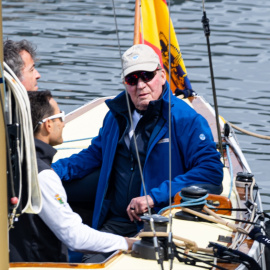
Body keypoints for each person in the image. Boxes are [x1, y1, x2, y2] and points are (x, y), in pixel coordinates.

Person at [52, 44, 224, 260]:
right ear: (126, 84)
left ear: (162, 76)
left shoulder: (185, 119)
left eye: (147, 76)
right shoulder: (115, 116)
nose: (141, 85)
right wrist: (46, 171)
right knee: (66, 260)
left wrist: (153, 197)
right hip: (114, 223)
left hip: (159, 224)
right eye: (132, 79)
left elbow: (211, 171)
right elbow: (91, 157)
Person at [9, 90, 134, 262]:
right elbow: (75, 237)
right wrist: (127, 243)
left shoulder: (13, 162)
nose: (64, 123)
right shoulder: (43, 176)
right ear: (48, 125)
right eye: (60, 116)